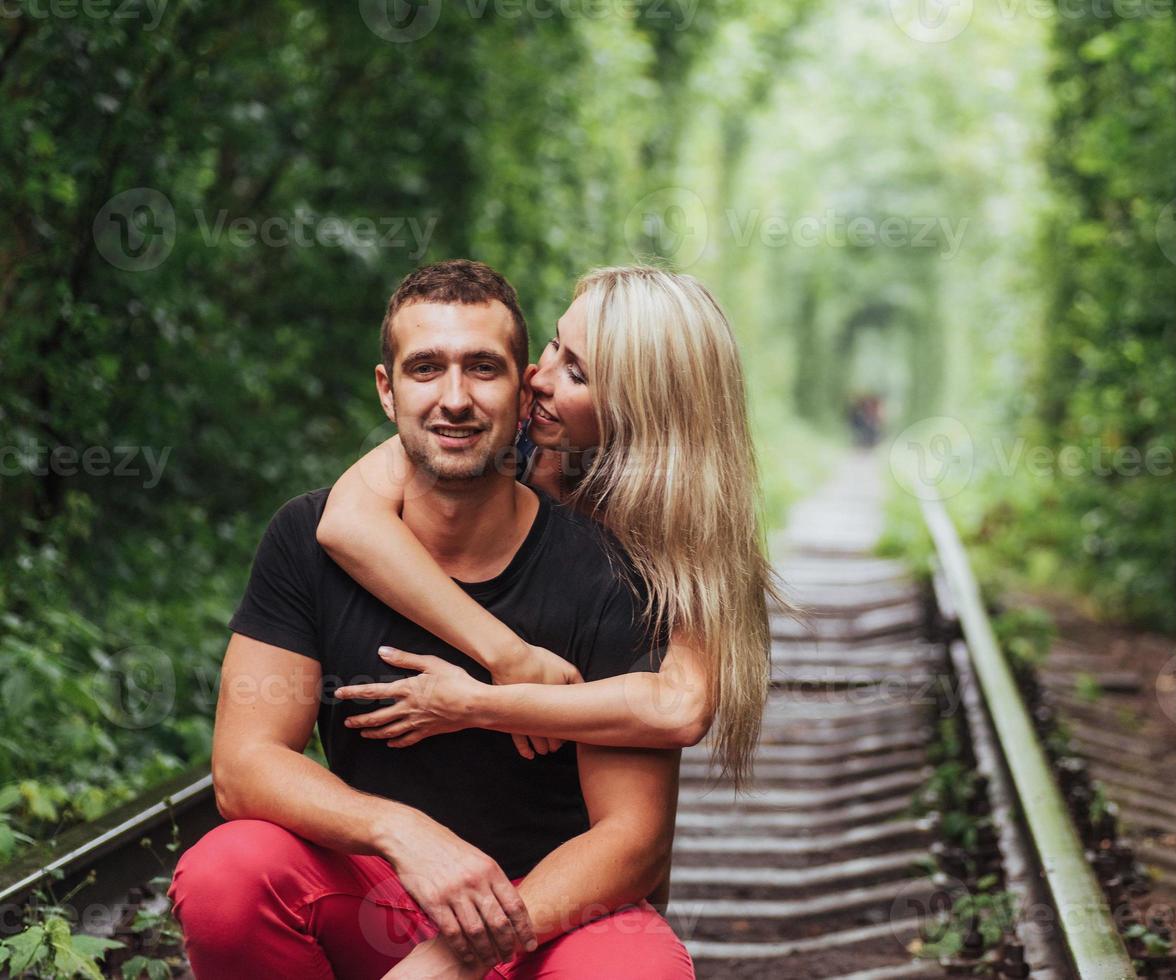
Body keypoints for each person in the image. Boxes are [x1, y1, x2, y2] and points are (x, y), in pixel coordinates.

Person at [167, 260, 735, 979]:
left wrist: (476, 704)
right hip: (387, 892)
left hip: (556, 909)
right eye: (426, 368)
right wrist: (401, 829)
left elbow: (671, 733)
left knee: (635, 970)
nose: (459, 398)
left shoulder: (636, 560)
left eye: (491, 370)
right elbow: (244, 764)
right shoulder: (325, 524)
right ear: (386, 388)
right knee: (230, 873)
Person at [313, 265, 777, 792]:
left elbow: (680, 708)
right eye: (556, 345)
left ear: (644, 409)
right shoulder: (498, 440)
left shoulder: (688, 526)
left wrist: (479, 705)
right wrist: (509, 655)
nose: (538, 377)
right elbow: (348, 521)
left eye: (576, 374)